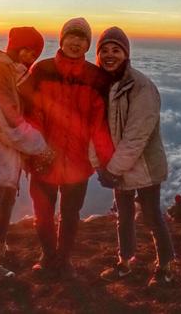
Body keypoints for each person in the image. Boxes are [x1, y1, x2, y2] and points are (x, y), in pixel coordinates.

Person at [22, 17, 114, 279]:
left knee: (70, 214)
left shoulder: (96, 78)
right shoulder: (42, 70)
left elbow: (99, 124)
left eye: (82, 38)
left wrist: (106, 162)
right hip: (43, 158)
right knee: (43, 215)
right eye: (71, 36)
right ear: (62, 40)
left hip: (78, 161)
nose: (76, 42)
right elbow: (30, 112)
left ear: (88, 44)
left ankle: (64, 260)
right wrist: (37, 149)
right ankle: (48, 256)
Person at [0, 26, 53, 279]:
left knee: (4, 205)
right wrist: (41, 148)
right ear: (21, 48)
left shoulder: (8, 70)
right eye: (31, 52)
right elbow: (6, 120)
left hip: (7, 154)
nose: (32, 58)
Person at [95, 26, 175, 287]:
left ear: (126, 54)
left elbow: (136, 137)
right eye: (104, 50)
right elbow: (93, 129)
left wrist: (112, 169)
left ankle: (165, 266)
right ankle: (125, 262)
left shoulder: (141, 87)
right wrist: (99, 165)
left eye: (115, 50)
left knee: (152, 216)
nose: (109, 55)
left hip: (144, 168)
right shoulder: (100, 86)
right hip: (115, 166)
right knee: (124, 216)